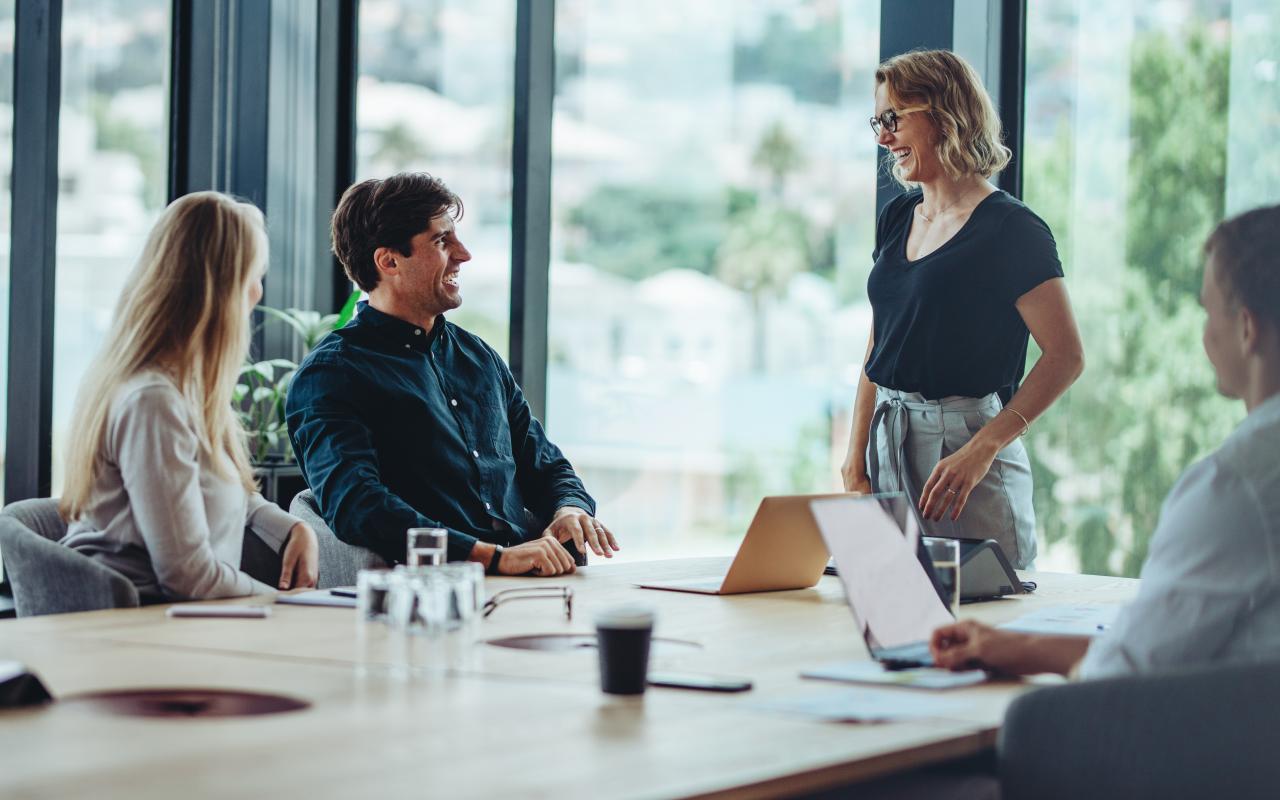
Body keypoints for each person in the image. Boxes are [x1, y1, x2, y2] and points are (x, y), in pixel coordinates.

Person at [931, 204, 1280, 679]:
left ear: (1246, 329)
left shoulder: (1236, 487)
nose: (1204, 334)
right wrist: (1013, 644)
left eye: (1207, 312)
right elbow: (1152, 647)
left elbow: (1128, 670)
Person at [286, 172, 617, 577]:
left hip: (529, 582)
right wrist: (491, 556)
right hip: (434, 593)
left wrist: (569, 508)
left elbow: (546, 465)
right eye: (442, 241)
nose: (463, 254)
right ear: (389, 261)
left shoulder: (478, 357)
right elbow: (358, 506)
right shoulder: (332, 374)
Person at [840, 50, 1085, 568]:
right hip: (890, 435)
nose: (883, 137)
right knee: (893, 611)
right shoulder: (898, 215)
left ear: (945, 113)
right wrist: (854, 456)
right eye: (877, 121)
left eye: (893, 118)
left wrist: (984, 448)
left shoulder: (1013, 230)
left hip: (965, 448)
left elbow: (1065, 357)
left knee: (992, 618)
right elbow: (879, 341)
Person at [60, 192, 319, 600]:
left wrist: (293, 528)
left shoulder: (182, 390)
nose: (257, 293)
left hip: (179, 623)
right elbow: (189, 577)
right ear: (219, 290)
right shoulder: (154, 403)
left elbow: (217, 494)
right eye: (253, 276)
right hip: (142, 628)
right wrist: (285, 604)